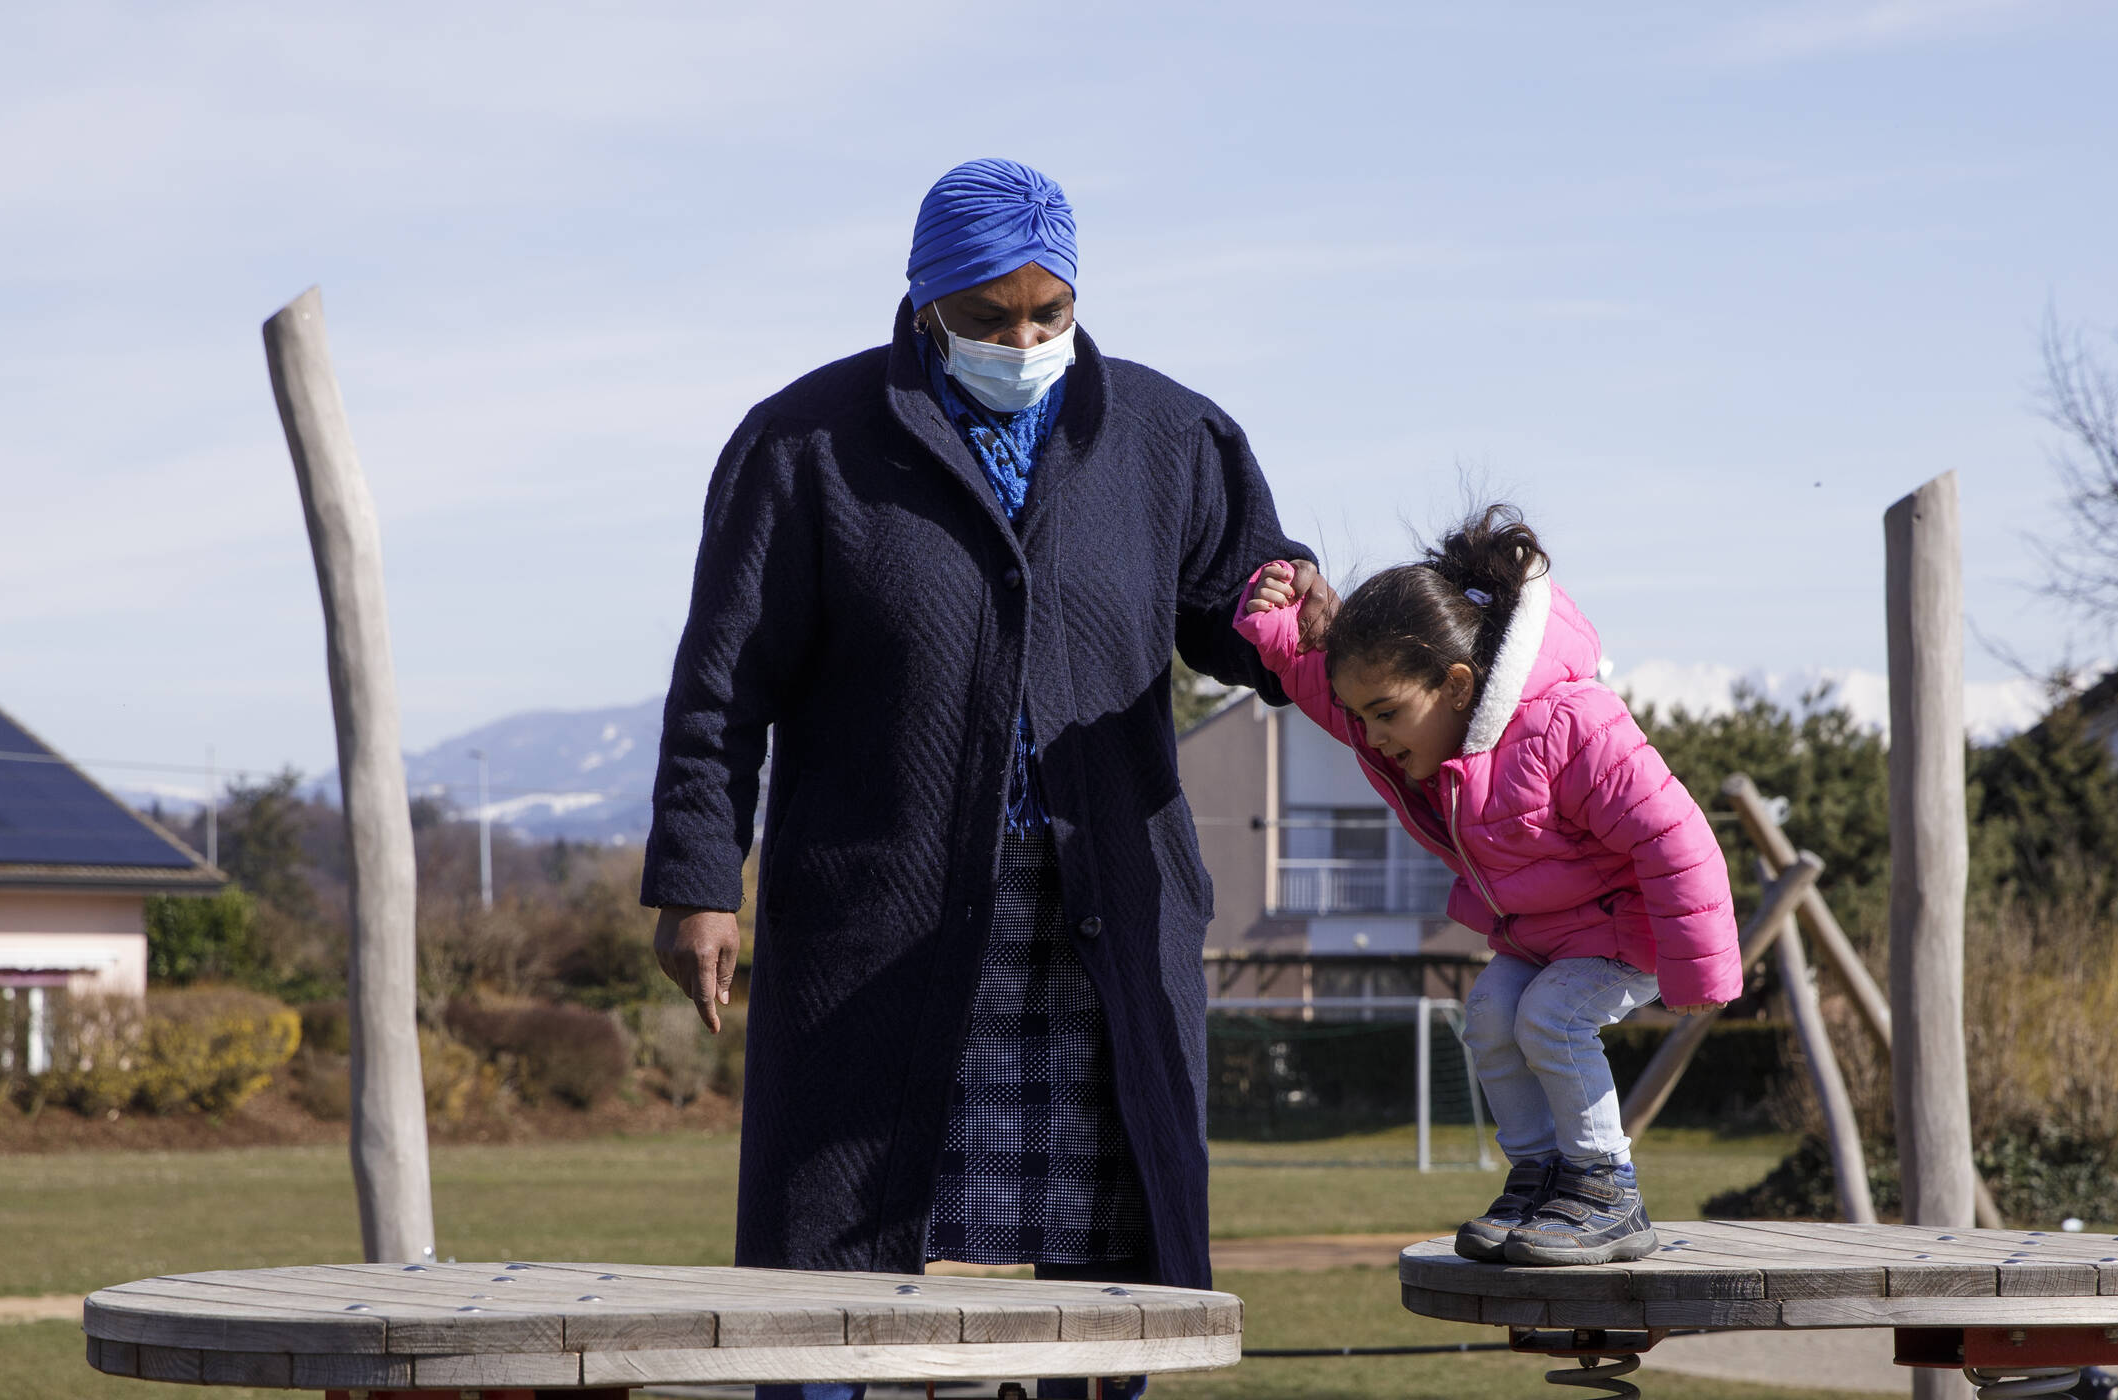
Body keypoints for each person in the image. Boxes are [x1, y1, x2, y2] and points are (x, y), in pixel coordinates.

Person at [643, 159, 1321, 1397]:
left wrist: (1289, 605)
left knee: (1105, 1254)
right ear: (920, 302)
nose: (1021, 339)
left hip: (1098, 913)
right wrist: (699, 878)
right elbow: (720, 683)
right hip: (880, 921)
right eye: (986, 316)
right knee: (835, 1255)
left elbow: (1241, 611)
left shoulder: (1170, 437)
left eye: (1047, 313)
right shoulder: (803, 444)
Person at [1234, 506, 1739, 1265]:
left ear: (1458, 685)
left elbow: (1676, 835)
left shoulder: (1568, 727)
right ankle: (1542, 1177)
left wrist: (1700, 967)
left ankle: (1606, 1190)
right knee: (1490, 1015)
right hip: (1544, 940)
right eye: (1363, 717)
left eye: (1385, 715)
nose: (1370, 737)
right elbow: (1324, 693)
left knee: (1549, 1020)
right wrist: (1286, 633)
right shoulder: (1422, 737)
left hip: (1624, 930)